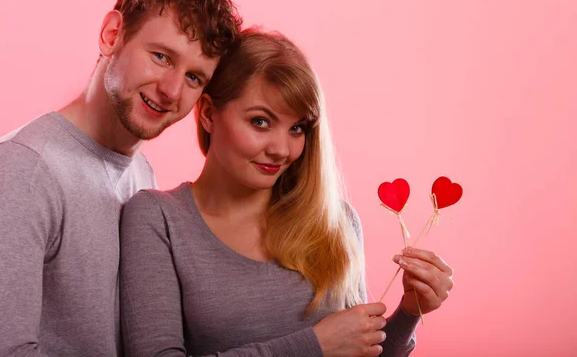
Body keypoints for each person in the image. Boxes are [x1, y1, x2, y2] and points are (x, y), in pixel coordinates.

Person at [119, 28, 454, 356]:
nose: (282, 150)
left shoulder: (336, 222)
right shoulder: (158, 220)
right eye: (261, 122)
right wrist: (315, 346)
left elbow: (361, 352)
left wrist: (411, 311)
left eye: (297, 128)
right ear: (208, 113)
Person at [0, 0, 241, 356]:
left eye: (194, 78)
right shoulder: (25, 168)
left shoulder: (140, 173)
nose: (170, 91)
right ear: (112, 35)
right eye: (161, 56)